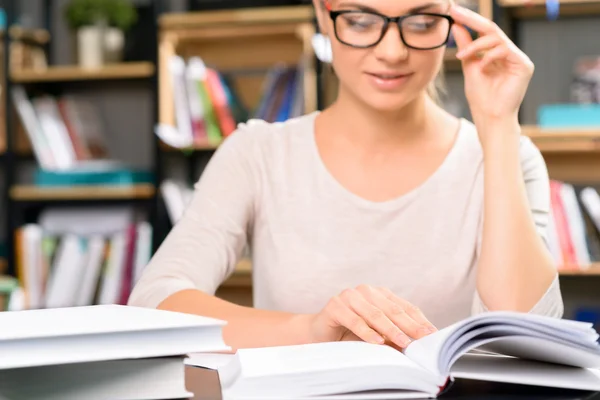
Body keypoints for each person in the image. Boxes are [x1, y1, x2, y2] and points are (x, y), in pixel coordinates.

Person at [128, 0, 564, 351]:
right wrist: (313, 330)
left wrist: (497, 124)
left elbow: (523, 337)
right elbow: (155, 301)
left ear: (453, 21)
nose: (392, 52)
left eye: (421, 21)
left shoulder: (509, 154)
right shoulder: (258, 153)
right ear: (323, 14)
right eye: (359, 21)